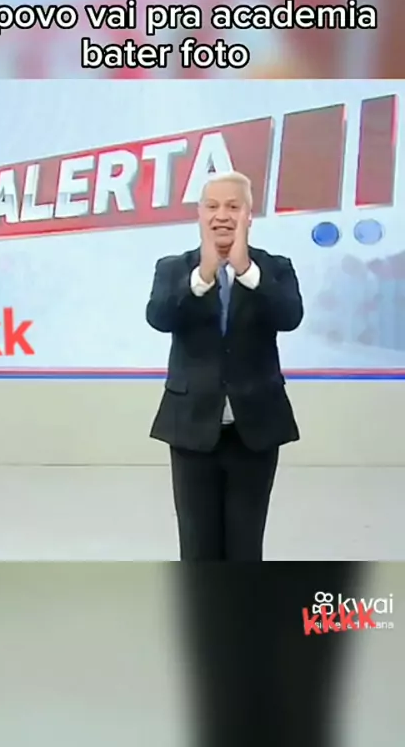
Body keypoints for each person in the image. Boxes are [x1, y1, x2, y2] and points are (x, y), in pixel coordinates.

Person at [145, 171, 304, 561]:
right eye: (212, 206)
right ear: (200, 213)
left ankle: (241, 603)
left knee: (246, 545)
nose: (222, 215)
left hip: (256, 428)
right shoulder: (173, 268)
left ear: (249, 215)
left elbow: (289, 316)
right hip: (191, 427)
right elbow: (160, 317)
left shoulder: (274, 268)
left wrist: (246, 270)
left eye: (233, 206)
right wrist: (203, 275)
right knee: (197, 545)